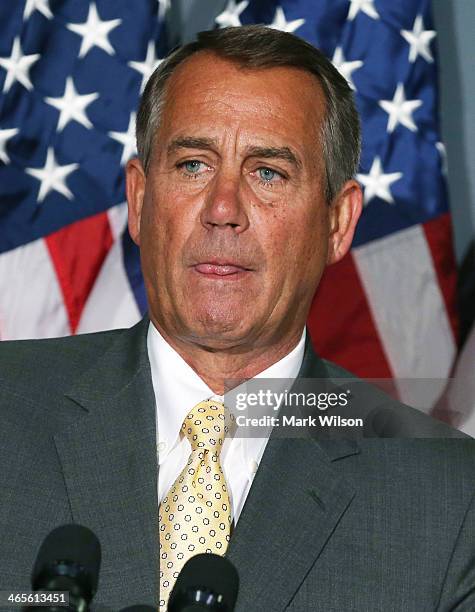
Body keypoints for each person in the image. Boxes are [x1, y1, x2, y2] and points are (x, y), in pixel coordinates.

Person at [0, 25, 474, 612]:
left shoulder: (449, 498)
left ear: (338, 222)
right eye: (195, 165)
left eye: (267, 173)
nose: (223, 210)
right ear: (141, 201)